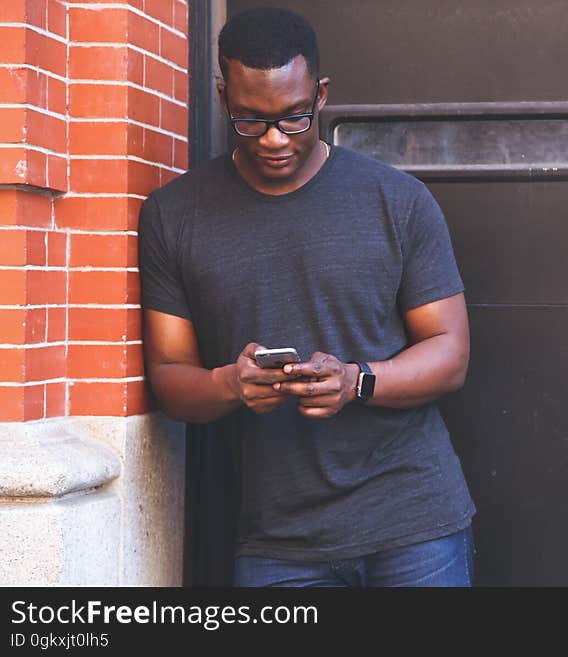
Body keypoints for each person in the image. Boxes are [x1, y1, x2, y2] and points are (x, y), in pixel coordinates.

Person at [137, 7, 476, 587]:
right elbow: (169, 377)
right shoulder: (174, 216)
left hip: (414, 523)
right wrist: (229, 384)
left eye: (293, 118)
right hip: (278, 542)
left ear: (320, 95)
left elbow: (450, 353)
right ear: (223, 99)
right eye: (250, 120)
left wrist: (356, 380)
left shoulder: (397, 201)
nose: (273, 139)